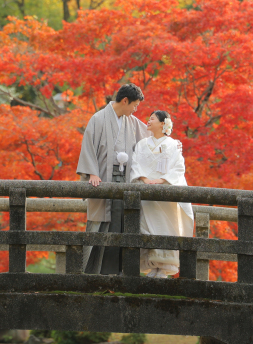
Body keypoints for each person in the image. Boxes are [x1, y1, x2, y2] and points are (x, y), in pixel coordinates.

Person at [76, 84, 148, 275]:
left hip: (124, 183)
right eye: (135, 105)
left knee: (123, 225)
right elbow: (88, 146)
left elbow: (151, 137)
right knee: (101, 225)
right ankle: (93, 274)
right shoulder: (98, 119)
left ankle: (120, 274)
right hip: (103, 180)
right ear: (125, 101)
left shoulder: (131, 122)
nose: (135, 109)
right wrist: (92, 173)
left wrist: (169, 145)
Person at [129, 110, 194, 278]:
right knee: (147, 228)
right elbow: (135, 164)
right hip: (147, 194)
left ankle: (163, 269)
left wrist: (161, 181)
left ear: (163, 124)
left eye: (152, 119)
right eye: (148, 118)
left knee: (166, 229)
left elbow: (178, 168)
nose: (148, 121)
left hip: (165, 195)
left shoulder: (173, 144)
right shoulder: (142, 144)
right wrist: (144, 179)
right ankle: (151, 267)